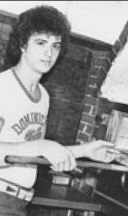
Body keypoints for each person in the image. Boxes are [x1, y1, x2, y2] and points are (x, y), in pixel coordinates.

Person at [0, 4, 118, 216]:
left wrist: (87, 151)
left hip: (19, 203)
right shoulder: (3, 87)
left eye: (56, 45)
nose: (49, 52)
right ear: (22, 45)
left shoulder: (43, 96)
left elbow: (38, 152)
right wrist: (42, 146)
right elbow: (38, 147)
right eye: (41, 42)